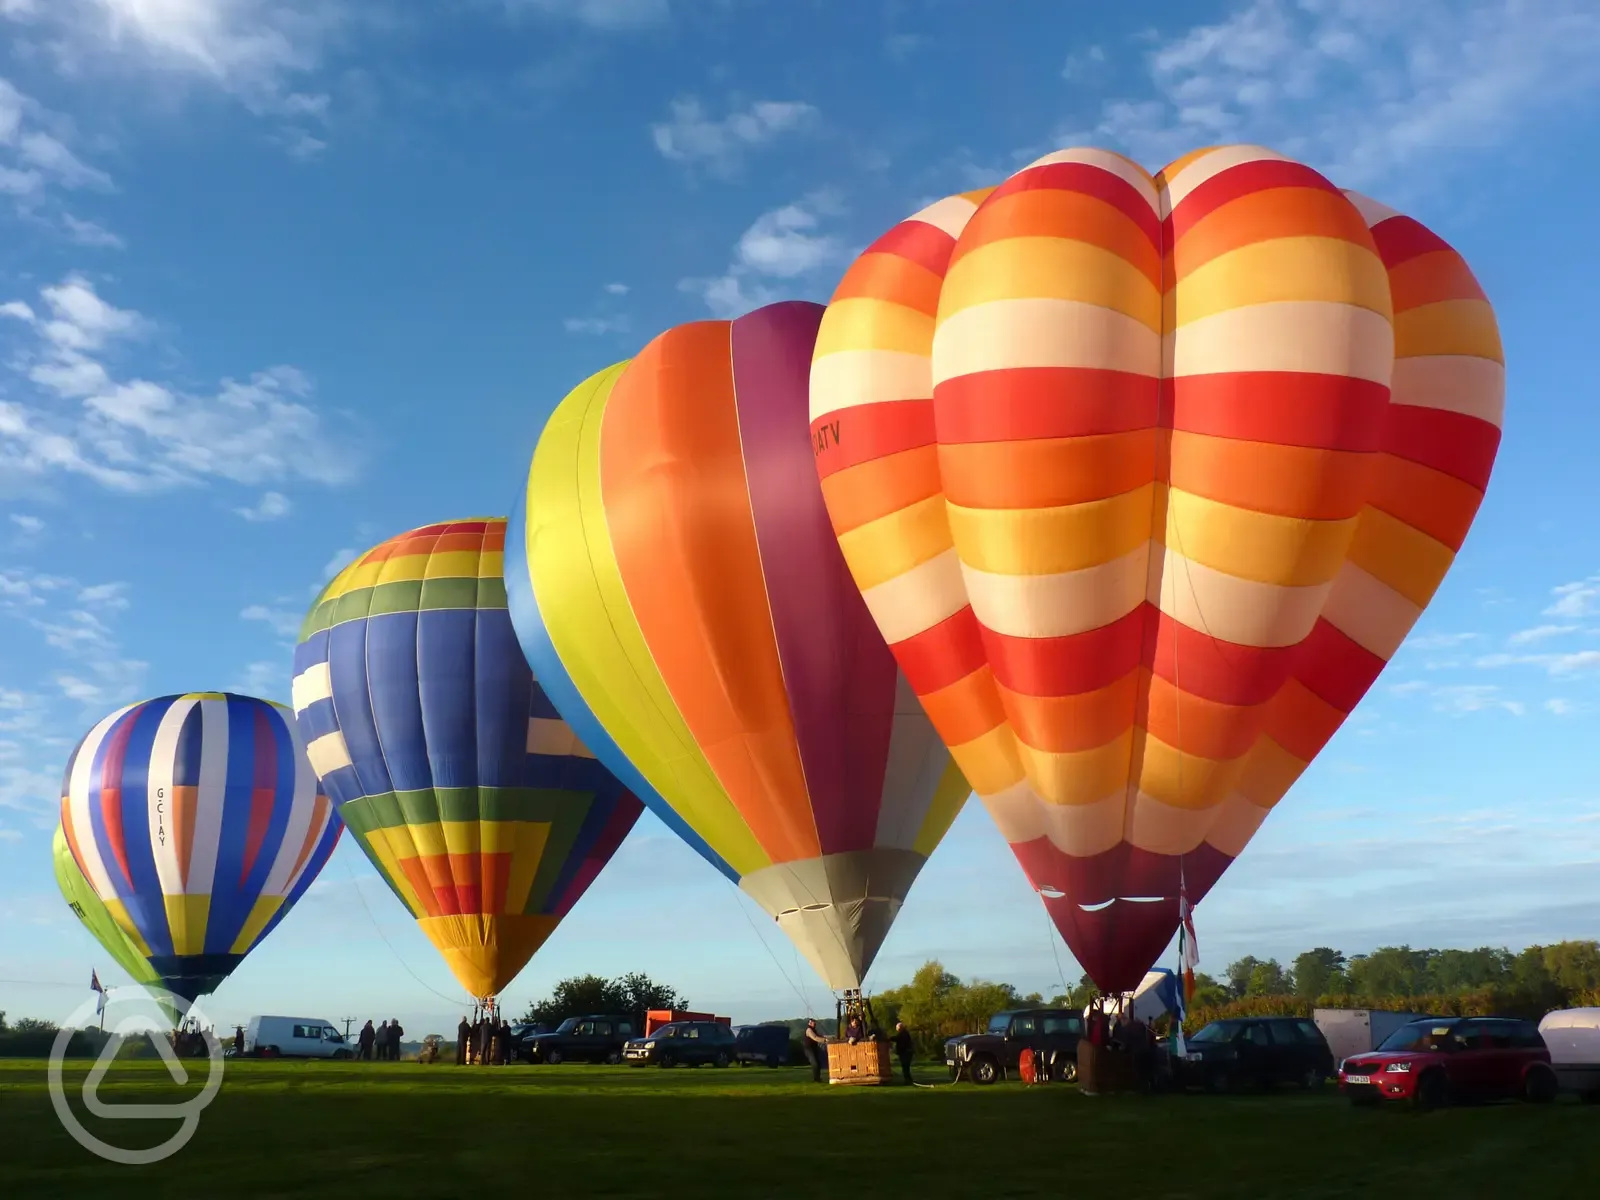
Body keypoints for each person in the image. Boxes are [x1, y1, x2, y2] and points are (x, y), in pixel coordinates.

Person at [802, 1018, 827, 1083]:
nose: (814, 1024)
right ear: (809, 1023)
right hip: (808, 1049)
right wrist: (824, 1040)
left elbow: (819, 1036)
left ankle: (818, 1078)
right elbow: (815, 1038)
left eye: (814, 1023)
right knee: (815, 1063)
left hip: (814, 1048)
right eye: (813, 1022)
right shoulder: (809, 1030)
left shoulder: (814, 1030)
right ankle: (816, 1079)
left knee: (818, 1063)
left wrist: (827, 1038)